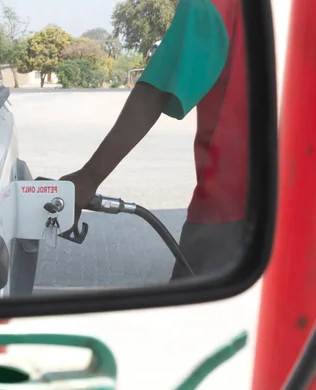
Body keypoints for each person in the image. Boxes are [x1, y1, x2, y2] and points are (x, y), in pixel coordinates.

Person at [61, 0, 248, 281]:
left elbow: (155, 92)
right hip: (292, 201)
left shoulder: (212, 4)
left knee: (195, 314)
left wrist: (89, 177)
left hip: (232, 210)